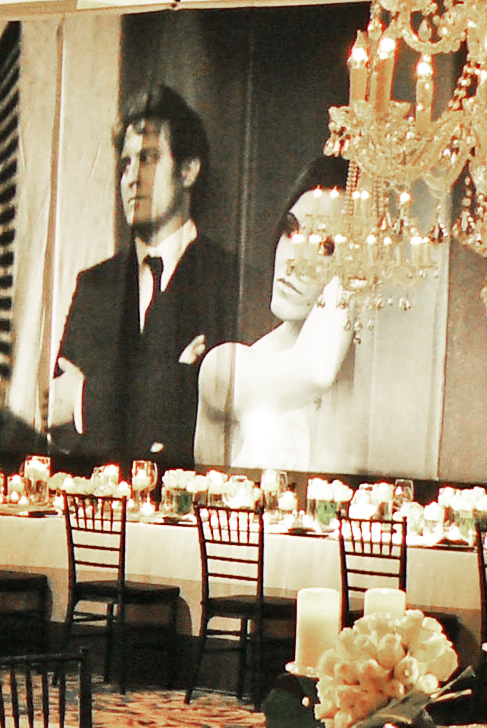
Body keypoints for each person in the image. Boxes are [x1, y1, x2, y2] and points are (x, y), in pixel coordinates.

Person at [49, 85, 239, 468]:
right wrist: (173, 380)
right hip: (97, 509)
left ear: (188, 170)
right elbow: (57, 417)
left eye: (149, 159)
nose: (132, 178)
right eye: (125, 164)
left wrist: (86, 397)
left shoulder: (230, 281)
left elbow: (212, 419)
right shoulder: (94, 285)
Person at [194, 156, 355, 471]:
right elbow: (315, 371)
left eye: (326, 247)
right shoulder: (230, 368)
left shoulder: (376, 380)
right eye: (291, 230)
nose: (294, 259)